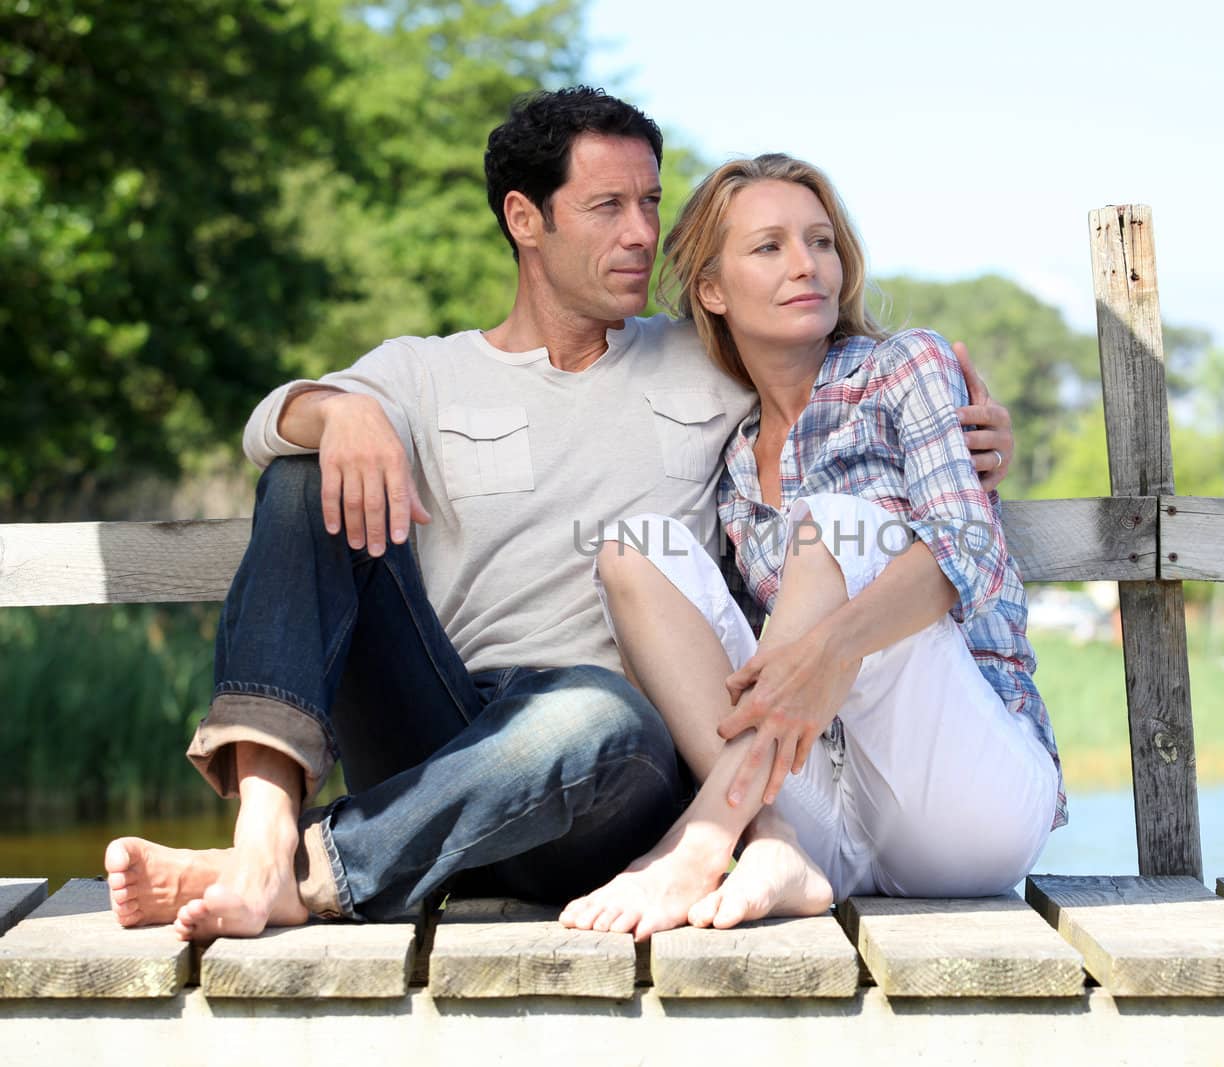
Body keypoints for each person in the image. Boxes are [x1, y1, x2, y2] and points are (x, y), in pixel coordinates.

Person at [101, 89, 1018, 939]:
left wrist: (970, 431)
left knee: (594, 715)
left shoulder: (706, 360)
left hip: (616, 761)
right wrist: (341, 411)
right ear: (524, 219)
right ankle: (262, 833)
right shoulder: (424, 372)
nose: (641, 234)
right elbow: (268, 423)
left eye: (652, 204)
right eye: (607, 207)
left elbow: (828, 397)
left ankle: (309, 874)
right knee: (303, 478)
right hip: (445, 736)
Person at [558, 155, 1064, 941]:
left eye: (821, 242)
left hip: (967, 800)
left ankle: (702, 841)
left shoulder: (908, 366)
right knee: (634, 544)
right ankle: (771, 844)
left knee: (833, 520)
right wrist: (801, 662)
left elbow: (965, 549)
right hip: (826, 809)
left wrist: (828, 649)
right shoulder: (731, 465)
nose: (807, 265)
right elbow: (706, 654)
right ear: (713, 291)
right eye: (770, 247)